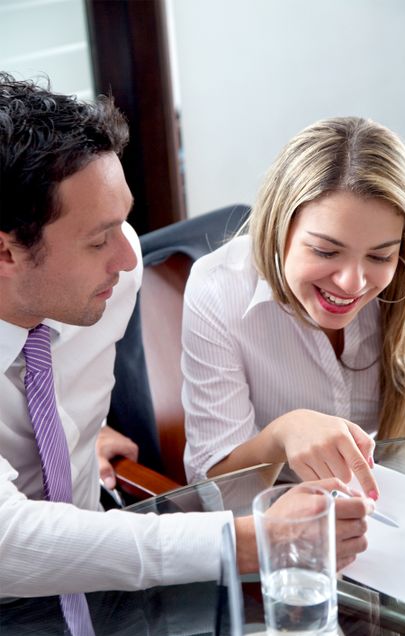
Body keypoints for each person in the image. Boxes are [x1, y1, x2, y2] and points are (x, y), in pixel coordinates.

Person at [0, 73, 372, 606]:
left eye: (123, 224)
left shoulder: (112, 279)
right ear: (6, 253)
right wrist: (248, 542)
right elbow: (9, 544)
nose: (132, 260)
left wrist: (76, 428)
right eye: (99, 239)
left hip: (103, 589)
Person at [182, 116, 405, 488]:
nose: (352, 283)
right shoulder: (217, 289)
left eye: (380, 256)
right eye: (326, 251)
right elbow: (214, 492)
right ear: (280, 226)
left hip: (391, 506)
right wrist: (280, 436)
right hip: (284, 516)